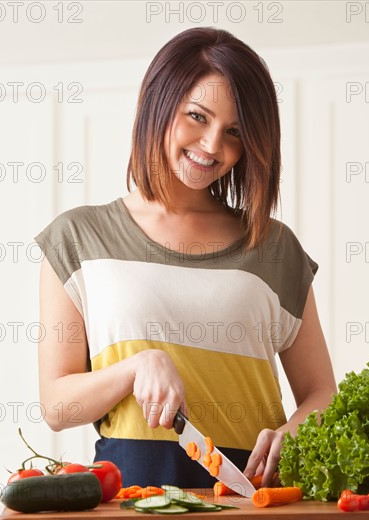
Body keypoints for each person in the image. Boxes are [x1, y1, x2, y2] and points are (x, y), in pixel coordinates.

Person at [34, 27, 336, 490]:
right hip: (132, 500)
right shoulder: (78, 238)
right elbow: (57, 407)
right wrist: (136, 366)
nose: (213, 145)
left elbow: (321, 393)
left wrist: (292, 434)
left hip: (254, 502)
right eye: (197, 116)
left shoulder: (275, 247)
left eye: (234, 132)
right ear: (158, 103)